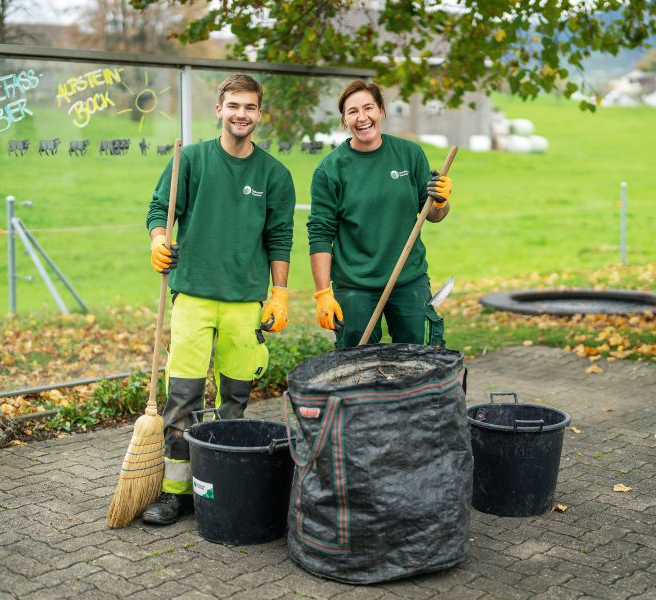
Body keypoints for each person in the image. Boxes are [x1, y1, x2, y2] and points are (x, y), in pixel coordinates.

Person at [143, 74, 296, 525]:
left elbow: (280, 238)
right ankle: (176, 493)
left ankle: (224, 484)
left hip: (245, 302)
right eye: (234, 106)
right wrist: (158, 238)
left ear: (259, 114)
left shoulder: (274, 175)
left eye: (250, 107)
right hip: (192, 296)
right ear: (219, 109)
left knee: (235, 400)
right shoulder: (191, 161)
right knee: (183, 398)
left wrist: (280, 294)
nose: (241, 114)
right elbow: (159, 209)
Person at [307, 80, 453, 348]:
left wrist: (441, 200)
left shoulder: (409, 154)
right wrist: (323, 294)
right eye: (352, 112)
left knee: (418, 361)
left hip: (408, 280)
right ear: (344, 119)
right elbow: (320, 234)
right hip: (355, 287)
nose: (362, 117)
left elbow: (432, 214)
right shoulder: (331, 170)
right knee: (356, 366)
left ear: (381, 110)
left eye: (368, 108)